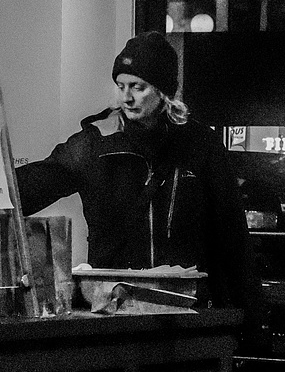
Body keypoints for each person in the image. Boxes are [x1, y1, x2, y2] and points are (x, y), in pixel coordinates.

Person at [15, 32, 245, 306]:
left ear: (162, 91)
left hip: (184, 307)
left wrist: (247, 317)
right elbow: (37, 184)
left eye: (137, 86)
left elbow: (232, 235)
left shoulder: (199, 145)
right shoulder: (95, 144)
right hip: (115, 306)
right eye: (120, 85)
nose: (126, 97)